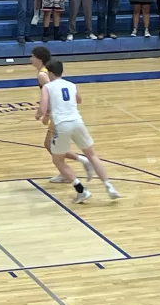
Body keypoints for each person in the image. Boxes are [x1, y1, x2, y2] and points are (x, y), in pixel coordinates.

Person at [36, 59, 120, 203]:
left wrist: (39, 115)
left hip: (61, 125)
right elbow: (79, 100)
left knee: (58, 160)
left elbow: (42, 109)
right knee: (92, 155)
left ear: (49, 73)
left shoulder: (47, 87)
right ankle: (109, 186)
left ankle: (81, 191)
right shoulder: (71, 84)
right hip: (77, 122)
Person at [31, 47, 93, 183]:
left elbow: (54, 94)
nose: (31, 59)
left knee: (51, 145)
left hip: (58, 114)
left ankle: (78, 165)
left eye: (33, 56)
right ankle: (73, 166)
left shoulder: (42, 74)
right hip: (61, 112)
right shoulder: (46, 70)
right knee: (50, 145)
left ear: (39, 58)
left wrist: (46, 114)